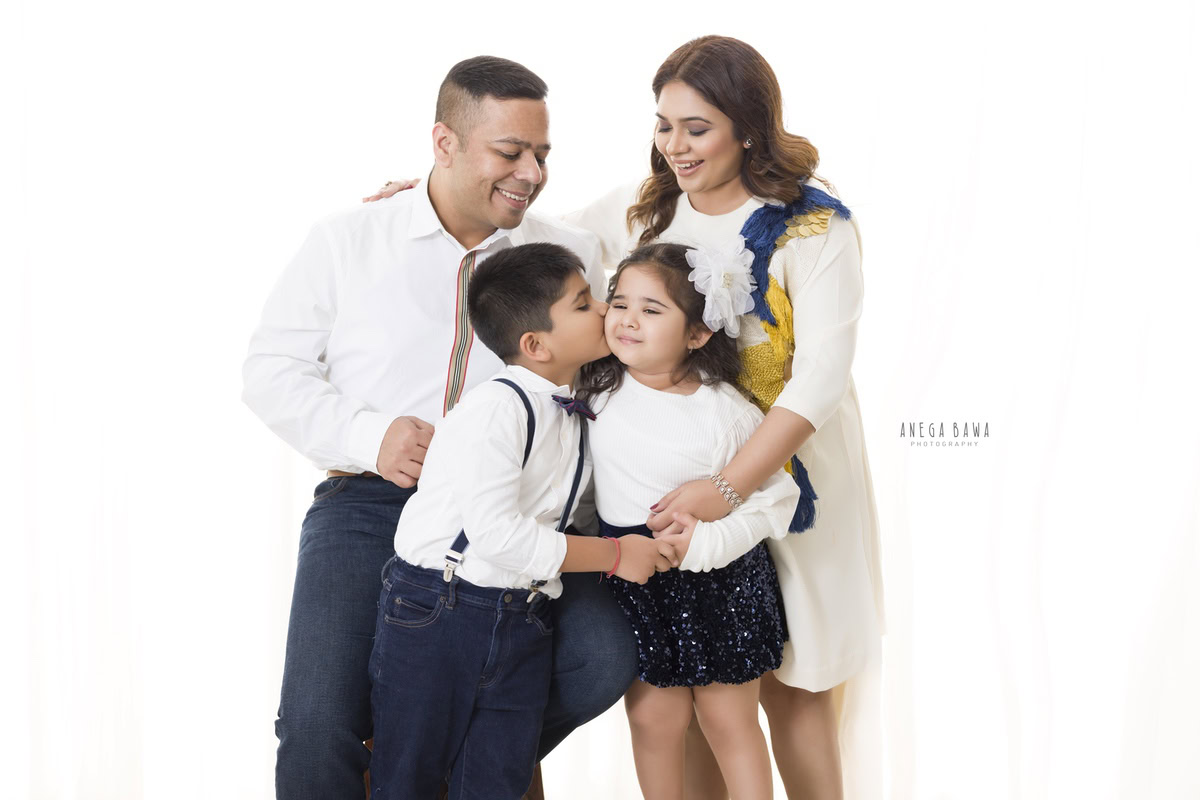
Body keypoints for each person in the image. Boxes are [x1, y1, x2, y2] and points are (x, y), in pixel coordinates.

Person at [370, 35, 884, 799]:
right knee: (689, 688)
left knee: (795, 685)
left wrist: (729, 488)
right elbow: (535, 235)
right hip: (663, 473)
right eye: (663, 124)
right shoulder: (648, 208)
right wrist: (436, 191)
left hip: (786, 467)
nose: (675, 146)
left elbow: (818, 381)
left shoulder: (816, 230)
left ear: (747, 125)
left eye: (697, 127)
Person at [243, 56, 639, 800]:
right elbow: (270, 370)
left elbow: (653, 281)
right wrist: (371, 436)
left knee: (601, 658)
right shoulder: (349, 240)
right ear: (444, 143)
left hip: (514, 521)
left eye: (543, 155)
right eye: (509, 152)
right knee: (317, 720)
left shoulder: (569, 253)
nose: (531, 173)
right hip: (370, 503)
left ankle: (419, 757)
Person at [368, 242, 678, 799]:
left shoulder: (571, 406)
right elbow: (496, 535)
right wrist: (614, 555)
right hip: (441, 607)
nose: (606, 311)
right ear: (535, 345)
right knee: (407, 778)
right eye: (585, 305)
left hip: (522, 616)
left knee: (496, 780)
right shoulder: (498, 408)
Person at [579, 242, 802, 800]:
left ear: (699, 334)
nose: (627, 319)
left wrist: (712, 542)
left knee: (730, 723)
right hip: (635, 580)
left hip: (721, 583)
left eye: (652, 311)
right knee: (655, 721)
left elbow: (778, 497)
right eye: (619, 302)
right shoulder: (593, 389)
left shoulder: (725, 409)